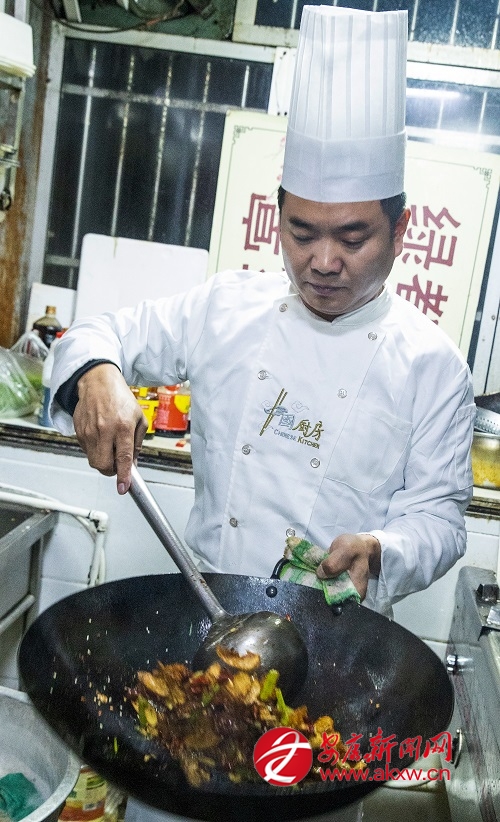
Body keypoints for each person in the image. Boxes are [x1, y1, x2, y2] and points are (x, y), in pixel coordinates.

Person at [50, 6, 475, 620]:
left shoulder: (434, 367)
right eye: (301, 233)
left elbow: (440, 520)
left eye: (353, 238)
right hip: (208, 612)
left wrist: (383, 549)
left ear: (401, 229)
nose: (322, 262)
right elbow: (101, 333)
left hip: (338, 637)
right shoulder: (226, 307)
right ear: (278, 218)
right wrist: (97, 374)